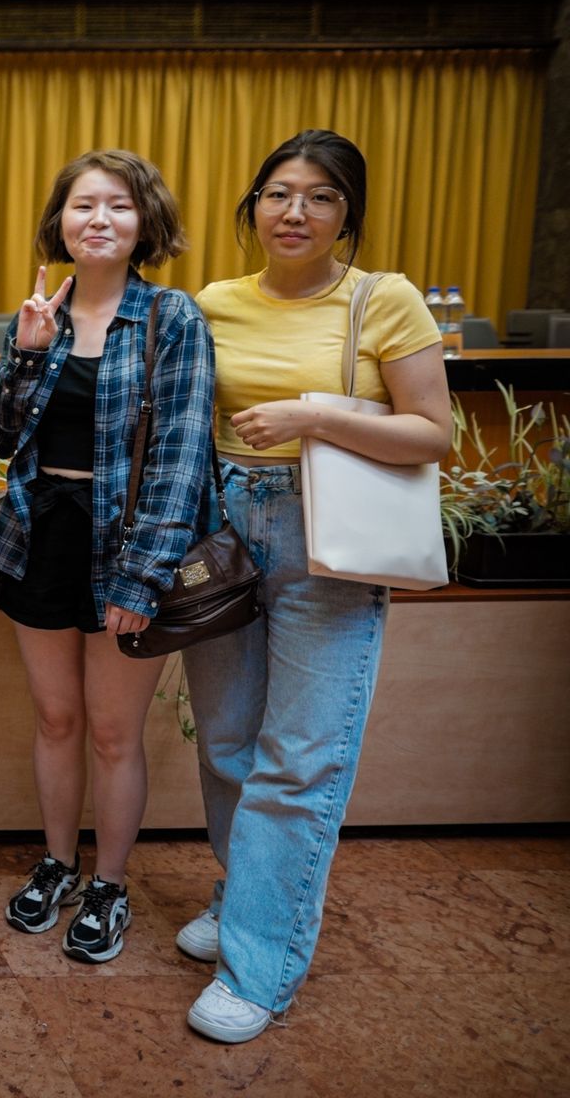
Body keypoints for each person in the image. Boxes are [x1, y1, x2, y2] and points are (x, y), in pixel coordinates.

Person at [180, 131, 447, 1043]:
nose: (296, 212)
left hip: (325, 537)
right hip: (225, 529)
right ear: (253, 206)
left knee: (300, 758)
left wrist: (313, 417)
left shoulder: (384, 299)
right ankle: (244, 895)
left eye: (321, 196)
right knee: (226, 741)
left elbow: (433, 432)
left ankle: (258, 966)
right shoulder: (215, 302)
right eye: (279, 194)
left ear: (347, 215)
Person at [0, 149, 214, 964]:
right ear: (61, 221)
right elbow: (4, 437)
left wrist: (143, 579)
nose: (99, 219)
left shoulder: (170, 318)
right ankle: (58, 863)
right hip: (40, 535)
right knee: (56, 719)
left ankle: (109, 884)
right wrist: (24, 353)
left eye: (118, 205)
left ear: (145, 222)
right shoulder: (39, 313)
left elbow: (181, 462)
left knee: (115, 732)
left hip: (125, 546)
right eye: (83, 205)